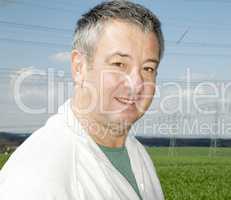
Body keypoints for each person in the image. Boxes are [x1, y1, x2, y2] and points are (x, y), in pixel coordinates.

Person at [0, 1, 165, 199]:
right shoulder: (37, 174)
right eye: (119, 64)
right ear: (79, 67)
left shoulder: (137, 153)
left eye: (148, 68)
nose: (136, 84)